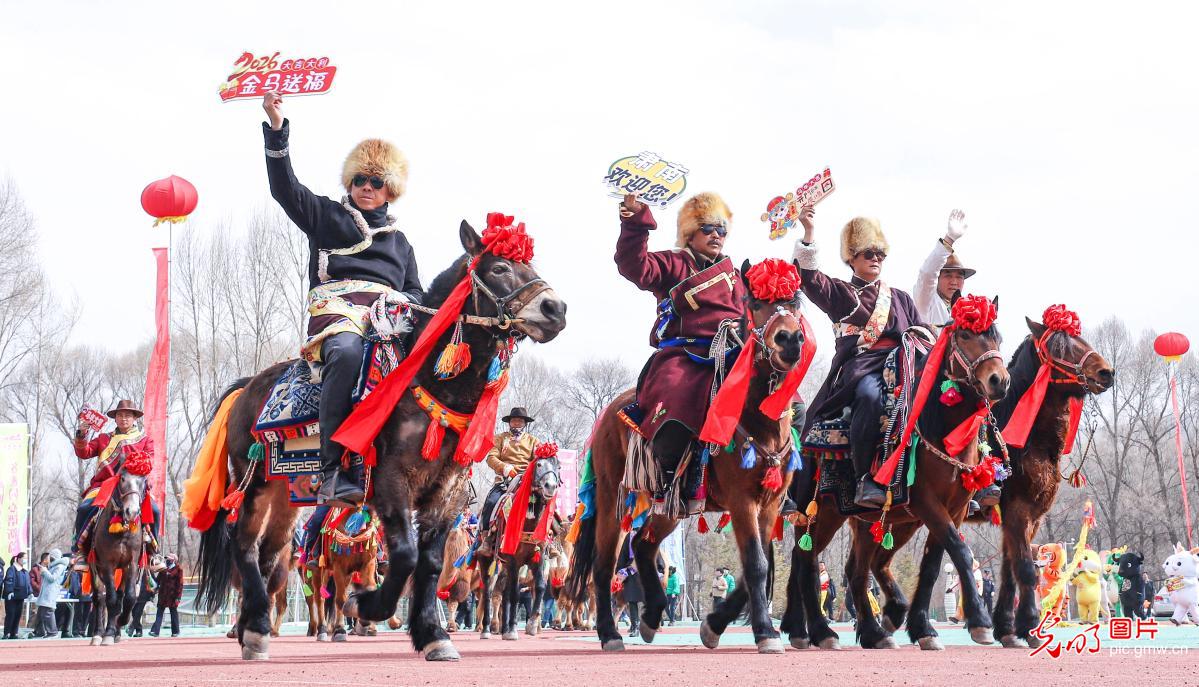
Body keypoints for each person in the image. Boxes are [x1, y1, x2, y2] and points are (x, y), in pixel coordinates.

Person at [261, 90, 423, 508]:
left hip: (388, 320)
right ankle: (332, 469)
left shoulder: (400, 242)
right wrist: (277, 130)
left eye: (376, 182)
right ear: (349, 184)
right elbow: (285, 189)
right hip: (338, 313)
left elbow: (417, 293)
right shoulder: (326, 216)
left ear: (391, 191)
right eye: (359, 180)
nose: (367, 188)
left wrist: (399, 307)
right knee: (350, 353)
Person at [616, 191, 746, 511]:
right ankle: (670, 475)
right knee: (678, 391)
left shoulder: (735, 276)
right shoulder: (673, 263)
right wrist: (635, 222)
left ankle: (783, 475)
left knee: (784, 398)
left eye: (722, 229)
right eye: (708, 228)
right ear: (690, 232)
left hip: (731, 351)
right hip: (685, 353)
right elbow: (635, 267)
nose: (716, 235)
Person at [791, 207, 925, 507]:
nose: (875, 258)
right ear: (851, 257)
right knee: (870, 396)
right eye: (868, 253)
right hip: (863, 368)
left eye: (880, 253)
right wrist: (809, 233)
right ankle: (866, 477)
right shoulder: (841, 293)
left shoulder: (901, 297)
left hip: (905, 367)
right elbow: (809, 279)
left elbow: (923, 333)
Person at [910, 210, 999, 509]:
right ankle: (897, 473)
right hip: (926, 378)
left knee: (985, 406)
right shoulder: (926, 300)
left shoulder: (966, 315)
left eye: (959, 275)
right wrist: (948, 241)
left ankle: (983, 478)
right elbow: (926, 275)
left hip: (961, 382)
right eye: (948, 275)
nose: (954, 280)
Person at [73, 400, 160, 559]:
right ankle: (80, 551)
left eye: (128, 415)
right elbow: (84, 453)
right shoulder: (103, 439)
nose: (123, 418)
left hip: (132, 486)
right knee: (84, 508)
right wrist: (81, 435)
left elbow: (149, 462)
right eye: (120, 415)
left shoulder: (145, 440)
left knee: (155, 510)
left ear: (134, 418)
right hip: (103, 485)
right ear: (115, 418)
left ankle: (153, 553)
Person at [478, 407, 540, 548]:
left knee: (546, 504)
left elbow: (539, 460)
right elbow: (491, 458)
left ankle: (552, 542)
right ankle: (486, 538)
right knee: (491, 503)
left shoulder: (533, 441)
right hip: (505, 482)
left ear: (525, 423)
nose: (517, 423)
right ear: (509, 423)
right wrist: (505, 468)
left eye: (520, 421)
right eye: (514, 420)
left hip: (527, 481)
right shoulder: (500, 438)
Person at [32, 549, 68, 638]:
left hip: (50, 592)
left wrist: (44, 571)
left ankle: (52, 632)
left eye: (51, 556)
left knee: (48, 612)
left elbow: (53, 578)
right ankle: (39, 632)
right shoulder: (52, 566)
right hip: (46, 592)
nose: (49, 558)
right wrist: (43, 572)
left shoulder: (59, 566)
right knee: (41, 612)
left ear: (54, 556)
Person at [150, 554, 184, 637]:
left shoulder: (178, 569)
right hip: (163, 595)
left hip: (173, 596)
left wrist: (178, 597)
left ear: (173, 560)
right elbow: (157, 581)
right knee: (159, 613)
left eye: (168, 559)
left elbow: (180, 584)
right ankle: (155, 631)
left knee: (173, 613)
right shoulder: (163, 569)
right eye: (166, 559)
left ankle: (175, 632)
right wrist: (151, 574)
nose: (167, 560)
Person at [3, 552, 32, 639]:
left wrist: (30, 592)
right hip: (11, 597)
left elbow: (28, 584)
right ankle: (7, 633)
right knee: (10, 614)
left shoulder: (25, 571)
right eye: (24, 558)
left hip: (21, 597)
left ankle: (14, 633)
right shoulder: (12, 569)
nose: (25, 560)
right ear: (19, 559)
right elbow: (8, 580)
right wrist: (9, 591)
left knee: (17, 615)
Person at [128, 572, 157, 637]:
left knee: (138, 613)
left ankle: (132, 627)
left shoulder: (147, 570)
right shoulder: (133, 570)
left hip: (144, 595)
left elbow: (153, 581)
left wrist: (152, 594)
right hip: (134, 595)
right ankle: (139, 631)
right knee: (134, 613)